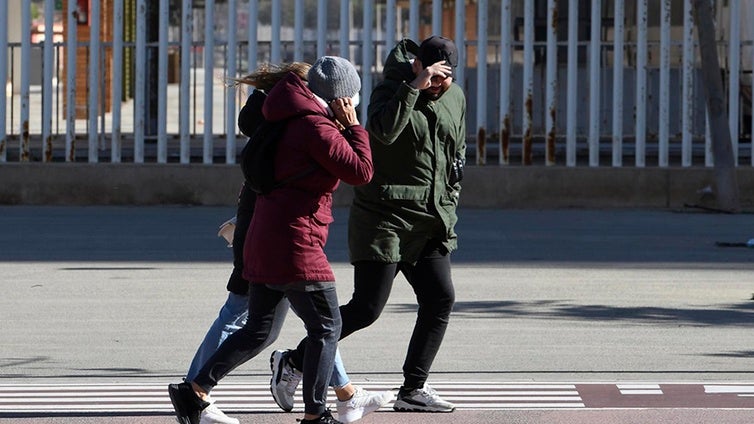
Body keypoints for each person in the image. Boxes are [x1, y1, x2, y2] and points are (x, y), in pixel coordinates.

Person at [168, 56, 374, 424]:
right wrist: (354, 126)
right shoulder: (315, 127)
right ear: (341, 98)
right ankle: (315, 414)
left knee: (258, 330)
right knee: (327, 328)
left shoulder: (283, 116)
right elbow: (361, 170)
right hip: (297, 242)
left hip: (265, 238)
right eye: (353, 97)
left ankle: (194, 389)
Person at [271, 35, 466, 414]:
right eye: (432, 74)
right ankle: (293, 361)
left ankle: (413, 389)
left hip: (430, 219)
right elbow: (382, 132)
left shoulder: (455, 97)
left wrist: (452, 194)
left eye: (446, 76)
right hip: (385, 217)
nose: (439, 83)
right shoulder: (390, 91)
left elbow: (455, 150)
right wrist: (413, 88)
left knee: (440, 298)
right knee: (366, 308)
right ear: (416, 65)